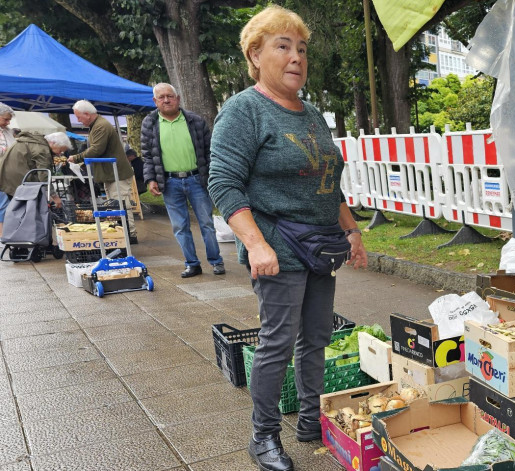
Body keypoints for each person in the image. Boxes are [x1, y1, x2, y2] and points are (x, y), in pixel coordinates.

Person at [208, 6, 367, 471]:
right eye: (283, 46)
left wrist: (352, 230)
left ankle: (311, 421)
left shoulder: (312, 113)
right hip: (277, 247)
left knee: (316, 337)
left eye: (301, 48)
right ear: (255, 54)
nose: (296, 56)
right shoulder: (244, 110)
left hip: (321, 245)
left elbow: (327, 181)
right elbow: (223, 183)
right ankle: (263, 437)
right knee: (278, 341)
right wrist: (256, 244)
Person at [142, 83, 224, 278]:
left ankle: (216, 261)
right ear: (155, 101)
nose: (166, 100)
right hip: (169, 183)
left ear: (177, 98)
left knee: (206, 223)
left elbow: (209, 150)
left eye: (170, 96)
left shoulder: (195, 121)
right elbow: (147, 155)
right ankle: (192, 264)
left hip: (197, 179)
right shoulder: (150, 123)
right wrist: (150, 179)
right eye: (161, 97)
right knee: (180, 227)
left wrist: (212, 175)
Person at [68, 100, 138, 244]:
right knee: (115, 204)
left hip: (117, 173)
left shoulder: (100, 126)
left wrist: (76, 158)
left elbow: (96, 150)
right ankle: (122, 232)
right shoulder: (97, 125)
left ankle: (130, 235)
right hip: (111, 173)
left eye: (79, 117)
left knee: (121, 204)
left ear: (87, 114)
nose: (78, 120)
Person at [0, 132, 70, 234]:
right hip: (16, 181)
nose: (59, 154)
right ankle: (25, 236)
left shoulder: (32, 142)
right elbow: (44, 175)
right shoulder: (42, 149)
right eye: (60, 150)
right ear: (53, 143)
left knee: (14, 209)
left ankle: (17, 236)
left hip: (7, 178)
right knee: (26, 210)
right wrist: (54, 196)